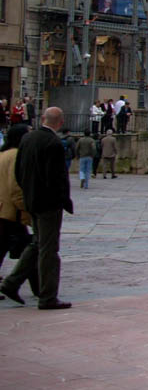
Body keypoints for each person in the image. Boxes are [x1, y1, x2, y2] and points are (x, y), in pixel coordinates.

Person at [0, 107, 74, 309]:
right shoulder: (53, 143)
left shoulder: (28, 139)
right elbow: (57, 178)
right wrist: (63, 200)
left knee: (36, 244)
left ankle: (11, 282)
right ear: (60, 122)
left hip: (32, 200)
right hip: (48, 204)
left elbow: (19, 171)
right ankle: (47, 296)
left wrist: (28, 194)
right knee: (49, 250)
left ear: (43, 119)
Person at [0, 124, 36, 295]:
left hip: (3, 210)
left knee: (26, 249)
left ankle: (36, 287)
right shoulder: (16, 156)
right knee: (30, 249)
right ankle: (22, 286)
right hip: (10, 212)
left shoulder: (3, 154)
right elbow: (16, 188)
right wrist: (26, 211)